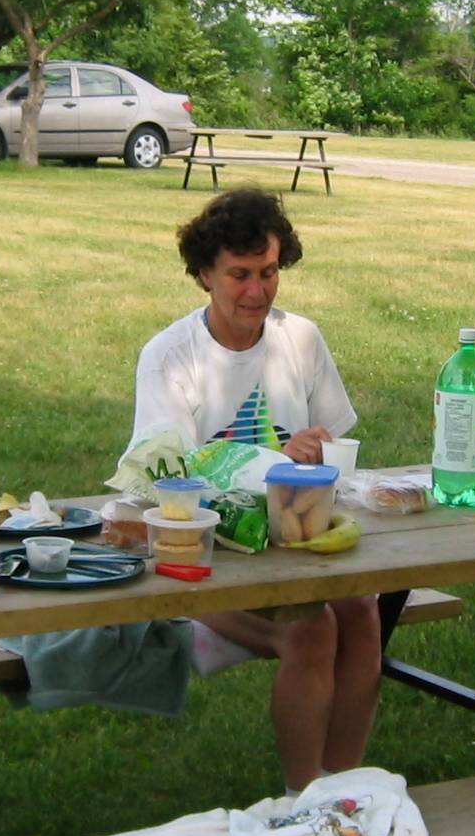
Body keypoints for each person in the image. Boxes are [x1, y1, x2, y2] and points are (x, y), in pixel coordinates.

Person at [132, 188, 379, 798]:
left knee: (363, 607)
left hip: (295, 541)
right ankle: (304, 801)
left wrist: (320, 455)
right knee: (311, 628)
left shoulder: (301, 340)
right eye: (239, 275)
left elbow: (334, 453)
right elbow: (172, 483)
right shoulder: (170, 356)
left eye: (268, 273)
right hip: (201, 556)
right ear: (203, 275)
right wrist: (275, 461)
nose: (257, 292)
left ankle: (339, 787)